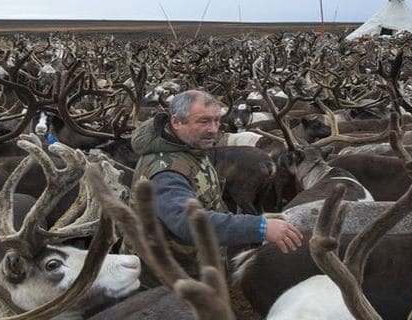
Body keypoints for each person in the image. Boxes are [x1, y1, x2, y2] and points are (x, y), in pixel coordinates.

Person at [122, 89, 303, 288]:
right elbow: (188, 222)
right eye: (204, 121)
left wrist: (258, 219)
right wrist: (259, 227)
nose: (213, 129)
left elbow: (208, 202)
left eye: (217, 121)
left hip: (190, 267)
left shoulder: (189, 149)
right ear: (176, 122)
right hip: (169, 282)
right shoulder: (166, 172)